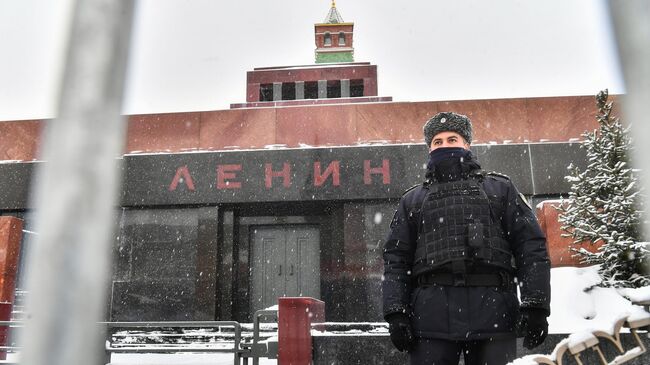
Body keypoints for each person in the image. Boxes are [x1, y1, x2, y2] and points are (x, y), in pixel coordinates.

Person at [382, 112, 551, 365]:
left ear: (467, 144)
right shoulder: (413, 200)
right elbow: (396, 259)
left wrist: (536, 304)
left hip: (494, 314)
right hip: (431, 319)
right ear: (429, 148)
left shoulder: (500, 189)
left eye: (453, 139)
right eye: (437, 142)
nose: (445, 146)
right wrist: (396, 312)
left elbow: (531, 247)